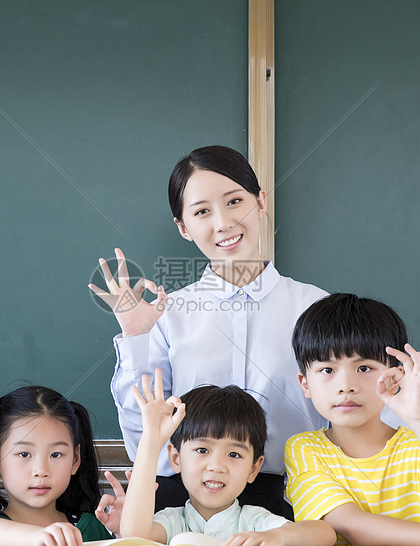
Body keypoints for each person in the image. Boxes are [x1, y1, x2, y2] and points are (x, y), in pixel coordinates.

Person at [90, 145, 397, 517]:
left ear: (261, 201)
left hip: (298, 498)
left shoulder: (315, 307)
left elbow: (377, 407)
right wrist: (138, 336)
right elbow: (147, 433)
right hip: (186, 506)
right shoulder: (167, 314)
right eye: (202, 211)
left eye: (235, 201)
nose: (223, 222)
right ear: (183, 228)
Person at [285, 293, 420, 546]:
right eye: (327, 370)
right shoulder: (304, 450)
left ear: (395, 378)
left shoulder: (418, 446)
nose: (346, 386)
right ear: (305, 384)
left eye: (364, 368)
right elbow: (350, 526)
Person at [120, 369, 336, 546]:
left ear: (254, 469)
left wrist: (277, 536)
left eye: (234, 455)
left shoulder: (254, 522)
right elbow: (135, 536)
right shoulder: (172, 520)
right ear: (176, 459)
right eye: (202, 450)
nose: (217, 466)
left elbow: (325, 533)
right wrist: (150, 440)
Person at [0, 386, 112, 546]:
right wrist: (40, 536)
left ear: (75, 460)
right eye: (24, 454)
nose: (41, 470)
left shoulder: (91, 527)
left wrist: (123, 531)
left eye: (56, 455)